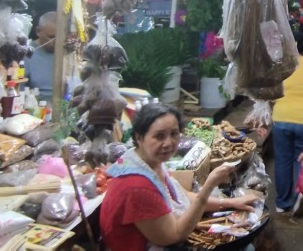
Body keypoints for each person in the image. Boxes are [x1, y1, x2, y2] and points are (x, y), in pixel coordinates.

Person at [100, 104, 259, 251]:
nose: (169, 143)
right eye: (159, 136)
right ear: (139, 137)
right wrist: (209, 186)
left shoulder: (148, 161)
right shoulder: (137, 185)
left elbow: (183, 196)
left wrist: (229, 203)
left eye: (174, 134)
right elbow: (174, 235)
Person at [271, 39, 303, 216]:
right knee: (302, 158)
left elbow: (271, 91)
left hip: (281, 117)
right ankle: (300, 192)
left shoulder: (281, 66)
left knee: (282, 161)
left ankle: (282, 203)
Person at [24, 12, 56, 98]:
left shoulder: (66, 53)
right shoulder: (26, 53)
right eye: (51, 37)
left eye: (59, 38)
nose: (55, 42)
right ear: (38, 31)